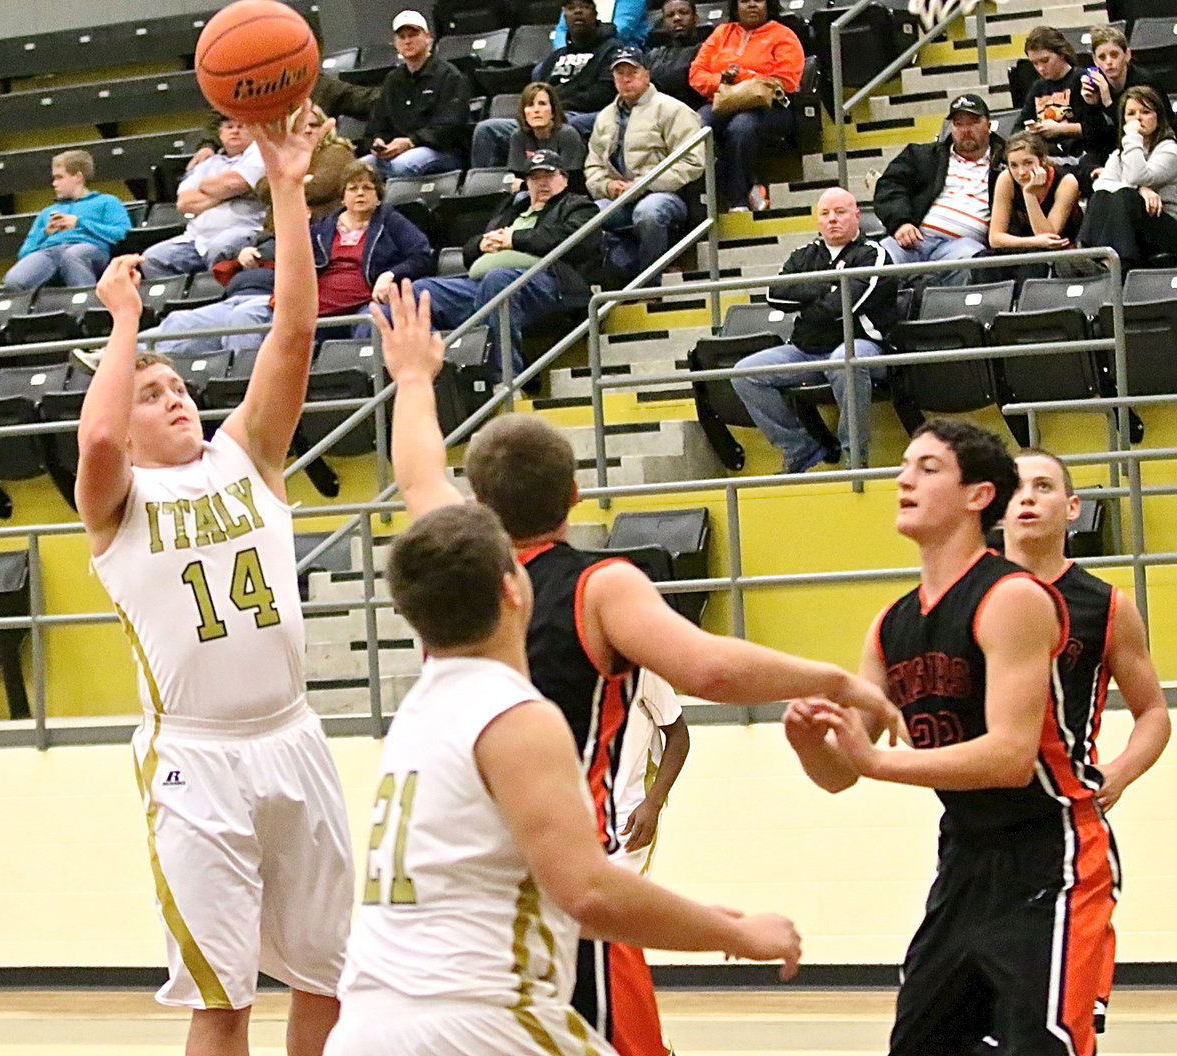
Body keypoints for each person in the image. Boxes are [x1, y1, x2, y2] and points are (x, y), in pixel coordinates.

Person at [371, 279, 898, 1056]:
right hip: (564, 891)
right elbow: (709, 670)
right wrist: (833, 678)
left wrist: (413, 379)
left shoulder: (456, 568)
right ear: (576, 495)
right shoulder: (598, 585)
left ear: (478, 500)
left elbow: (418, 473)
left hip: (450, 902)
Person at [75, 103, 354, 1056]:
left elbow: (294, 330)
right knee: (223, 999)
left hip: (293, 737)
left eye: (179, 386)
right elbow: (103, 433)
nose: (176, 397)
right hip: (196, 760)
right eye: (155, 393)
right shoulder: (115, 505)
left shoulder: (249, 458)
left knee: (332, 976)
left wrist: (283, 187)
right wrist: (127, 326)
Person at [324, 503, 800, 1056]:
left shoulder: (414, 716)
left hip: (366, 1025)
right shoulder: (514, 714)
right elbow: (588, 892)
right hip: (473, 1023)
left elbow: (528, 898)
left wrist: (703, 920)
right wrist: (739, 936)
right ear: (513, 589)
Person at [784, 418, 1116, 1056]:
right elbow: (843, 771)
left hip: (1051, 854)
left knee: (1040, 1044)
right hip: (965, 859)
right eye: (904, 465)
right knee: (919, 1043)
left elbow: (1011, 757)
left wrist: (876, 762)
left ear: (978, 495)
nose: (904, 479)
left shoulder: (1012, 598)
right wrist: (809, 745)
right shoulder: (890, 624)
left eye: (928, 468)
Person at [1003, 447, 1171, 1033]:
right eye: (1016, 488)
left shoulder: (1106, 607)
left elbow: (1153, 711)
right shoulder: (962, 599)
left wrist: (1118, 773)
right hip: (982, 835)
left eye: (1044, 487)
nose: (1028, 497)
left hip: (1066, 831)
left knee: (1062, 1027)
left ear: (1072, 508)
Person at [155, 159, 431, 354]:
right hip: (308, 306)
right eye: (353, 188)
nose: (360, 193)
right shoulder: (324, 226)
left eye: (367, 188)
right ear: (343, 197)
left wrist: (390, 275)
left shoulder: (389, 222)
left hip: (358, 304)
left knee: (372, 321)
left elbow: (420, 254)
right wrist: (251, 254)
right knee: (246, 314)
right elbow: (290, 252)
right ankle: (242, 390)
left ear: (378, 195)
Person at [731, 187, 897, 474]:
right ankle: (801, 448)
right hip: (806, 350)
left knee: (843, 361)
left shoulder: (874, 255)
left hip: (862, 344)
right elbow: (776, 296)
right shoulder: (803, 256)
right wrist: (824, 287)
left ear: (857, 215)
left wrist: (808, 298)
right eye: (825, 213)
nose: (832, 219)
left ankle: (854, 459)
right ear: (818, 220)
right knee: (745, 373)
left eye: (840, 212)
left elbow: (843, 304)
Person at [411, 149, 600, 375]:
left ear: (564, 179)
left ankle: (505, 377)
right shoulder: (514, 209)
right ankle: (439, 373)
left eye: (548, 176)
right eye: (535, 178)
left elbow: (573, 240)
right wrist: (481, 244)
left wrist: (514, 239)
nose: (542, 183)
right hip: (486, 284)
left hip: (549, 283)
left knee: (497, 280)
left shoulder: (578, 206)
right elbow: (470, 250)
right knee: (421, 291)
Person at [585, 46, 705, 285]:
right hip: (618, 198)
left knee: (648, 213)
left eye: (633, 71)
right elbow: (592, 167)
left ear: (647, 74)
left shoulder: (674, 110)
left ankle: (650, 286)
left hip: (667, 195)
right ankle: (619, 276)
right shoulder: (604, 117)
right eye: (620, 73)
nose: (626, 78)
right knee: (586, 218)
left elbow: (692, 162)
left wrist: (643, 185)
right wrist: (608, 187)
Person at [689, 0, 805, 212]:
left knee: (740, 128)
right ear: (735, 6)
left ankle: (739, 200)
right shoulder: (722, 33)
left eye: (757, 0)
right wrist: (722, 80)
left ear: (768, 4)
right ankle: (744, 184)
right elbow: (696, 74)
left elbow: (786, 80)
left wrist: (739, 76)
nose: (752, 5)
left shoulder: (783, 35)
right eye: (745, 0)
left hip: (769, 108)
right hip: (723, 101)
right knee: (696, 126)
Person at [470, 0, 621, 168]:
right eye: (571, 8)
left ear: (596, 14)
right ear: (565, 17)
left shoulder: (611, 50)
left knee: (566, 128)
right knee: (487, 129)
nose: (578, 11)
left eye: (584, 7)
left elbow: (603, 93)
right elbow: (536, 92)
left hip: (584, 115)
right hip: (547, 115)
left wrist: (556, 106)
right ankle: (489, 191)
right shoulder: (555, 57)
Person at [874, 93, 1006, 286]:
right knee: (877, 257)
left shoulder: (1008, 164)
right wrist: (900, 223)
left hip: (964, 247)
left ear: (989, 124)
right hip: (914, 240)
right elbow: (889, 186)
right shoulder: (923, 155)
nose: (965, 130)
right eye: (958, 124)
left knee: (972, 260)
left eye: (973, 123)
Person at [140, 115, 267, 280]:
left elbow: (234, 184)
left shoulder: (260, 155)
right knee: (152, 258)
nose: (235, 131)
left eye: (241, 126)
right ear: (220, 133)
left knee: (220, 247)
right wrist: (229, 193)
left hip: (242, 232)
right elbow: (185, 203)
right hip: (196, 239)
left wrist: (207, 187)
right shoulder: (207, 163)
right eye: (229, 127)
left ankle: (217, 296)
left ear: (253, 131)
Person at [1076, 85, 1177, 275]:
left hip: (1167, 224)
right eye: (1131, 113)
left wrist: (1132, 137)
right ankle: (1090, 255)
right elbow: (1101, 185)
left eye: (1145, 112)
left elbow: (1137, 175)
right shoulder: (1119, 153)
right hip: (1136, 228)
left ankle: (1116, 263)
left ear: (1158, 117)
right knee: (1101, 196)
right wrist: (1141, 189)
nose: (1137, 118)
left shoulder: (1170, 149)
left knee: (1125, 195)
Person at [2, 149, 131, 291]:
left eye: (59, 177)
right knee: (14, 280)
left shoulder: (106, 201)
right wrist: (45, 232)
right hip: (49, 252)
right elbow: (24, 253)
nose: (54, 184)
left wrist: (79, 222)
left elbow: (121, 232)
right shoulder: (47, 212)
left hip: (89, 248)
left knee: (73, 256)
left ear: (77, 177)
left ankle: (86, 305)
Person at [365, 10, 470, 180]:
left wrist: (411, 141)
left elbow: (450, 127)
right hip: (398, 151)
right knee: (360, 169)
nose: (407, 41)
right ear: (395, 42)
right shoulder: (392, 80)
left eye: (413, 35)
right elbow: (378, 122)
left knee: (400, 167)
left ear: (428, 37)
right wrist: (378, 141)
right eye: (402, 37)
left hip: (442, 152)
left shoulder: (449, 75)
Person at [611, 669, 689, 877]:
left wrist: (653, 804)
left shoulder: (641, 669)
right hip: (574, 816)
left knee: (622, 903)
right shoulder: (552, 666)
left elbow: (679, 736)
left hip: (628, 816)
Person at [980, 131, 1081, 284]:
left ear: (1042, 160)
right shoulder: (1006, 179)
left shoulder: (1066, 182)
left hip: (1059, 251)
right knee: (983, 261)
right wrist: (1035, 242)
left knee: (1034, 263)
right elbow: (995, 238)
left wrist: (1029, 194)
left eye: (1028, 163)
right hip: (1024, 247)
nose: (1021, 172)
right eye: (1013, 165)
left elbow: (1048, 236)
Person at [1079, 25, 1172, 169]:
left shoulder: (1144, 82)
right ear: (1095, 61)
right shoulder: (1094, 84)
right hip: (1113, 148)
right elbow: (1093, 140)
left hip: (1149, 145)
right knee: (1086, 164)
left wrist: (1108, 102)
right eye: (1102, 57)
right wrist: (1091, 105)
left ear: (1127, 55)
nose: (1109, 62)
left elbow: (1136, 128)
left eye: (1114, 55)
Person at [1013, 26, 1091, 163]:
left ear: (1061, 54)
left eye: (1045, 61)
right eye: (1035, 63)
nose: (1040, 68)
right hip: (1046, 153)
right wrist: (1031, 131)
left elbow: (1097, 128)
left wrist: (1062, 129)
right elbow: (1017, 129)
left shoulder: (1081, 79)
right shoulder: (1038, 87)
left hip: (1079, 153)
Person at [504, 81, 587, 186]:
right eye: (530, 105)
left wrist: (526, 185)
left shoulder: (568, 134)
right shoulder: (518, 136)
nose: (536, 110)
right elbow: (516, 180)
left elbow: (572, 181)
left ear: (553, 111)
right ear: (524, 113)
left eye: (542, 104)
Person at [644, 0, 709, 111]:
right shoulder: (654, 55)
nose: (677, 18)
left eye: (683, 12)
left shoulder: (708, 49)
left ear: (695, 17)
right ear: (663, 22)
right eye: (670, 15)